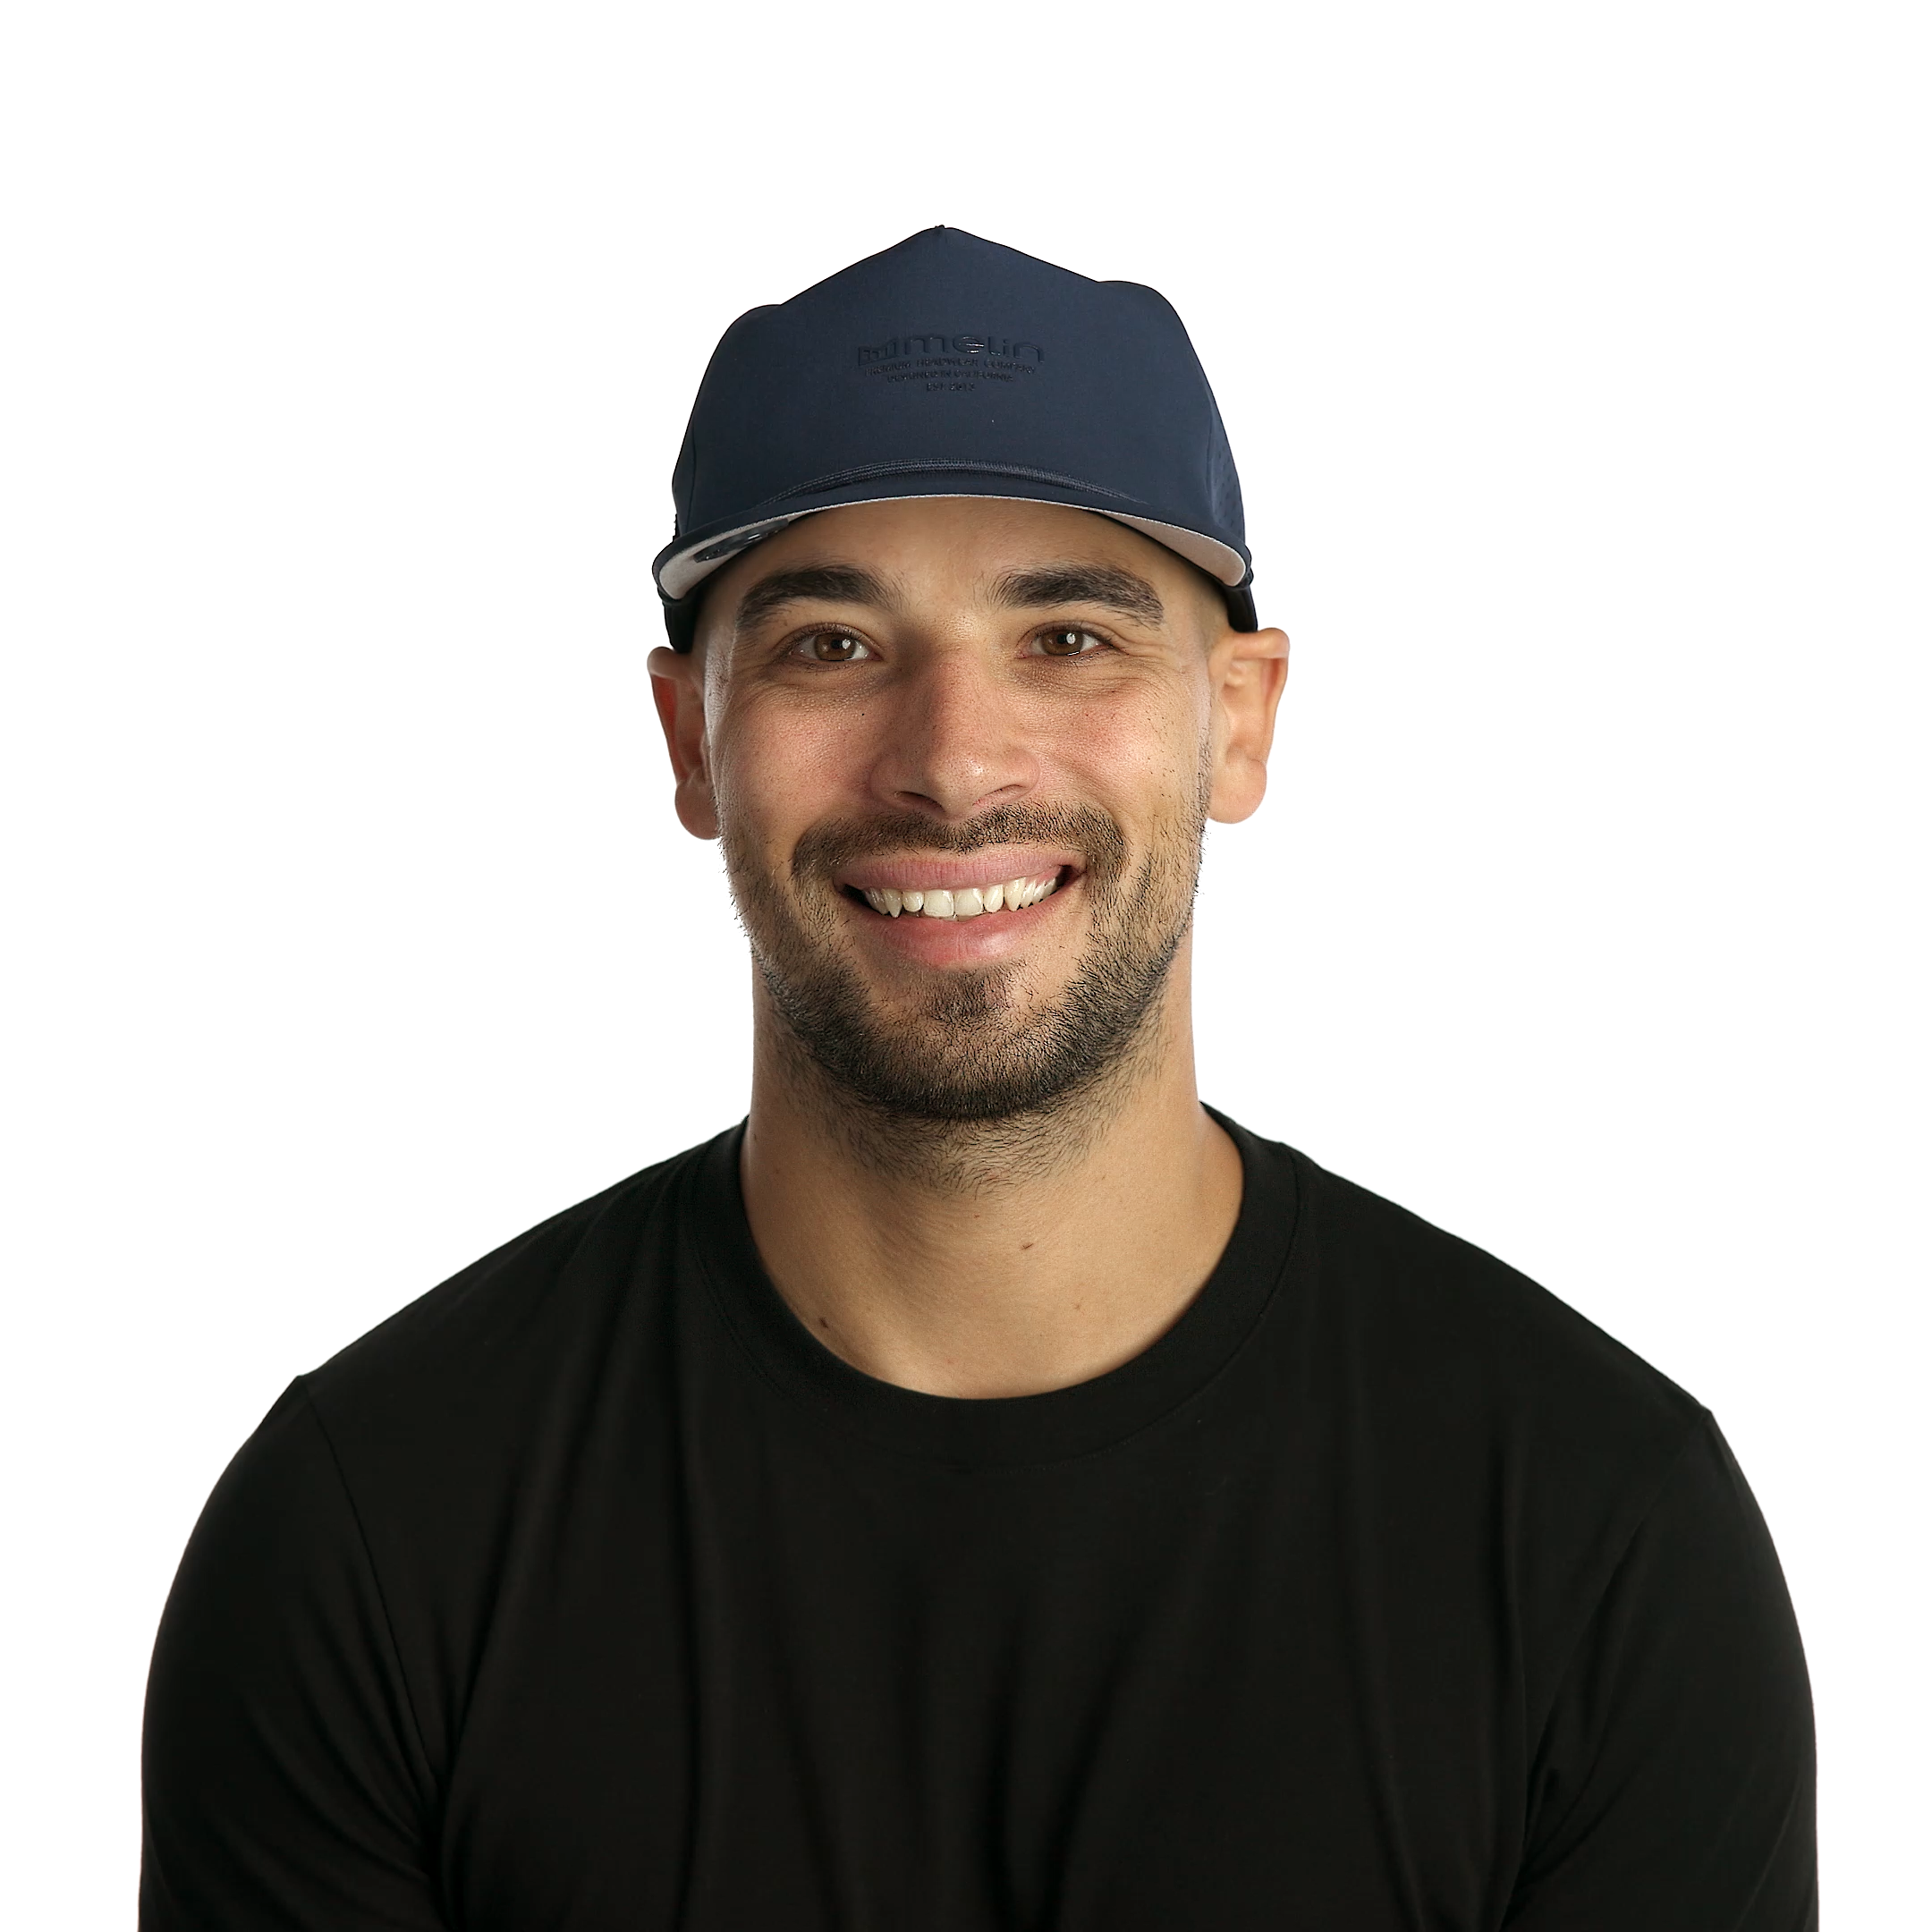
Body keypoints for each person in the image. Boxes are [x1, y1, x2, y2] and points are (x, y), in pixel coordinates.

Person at [140, 228, 1818, 1929]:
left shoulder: (1594, 1536)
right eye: (831, 647)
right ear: (690, 739)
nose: (951, 761)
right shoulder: (374, 1539)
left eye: (1070, 638)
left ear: (1239, 721)